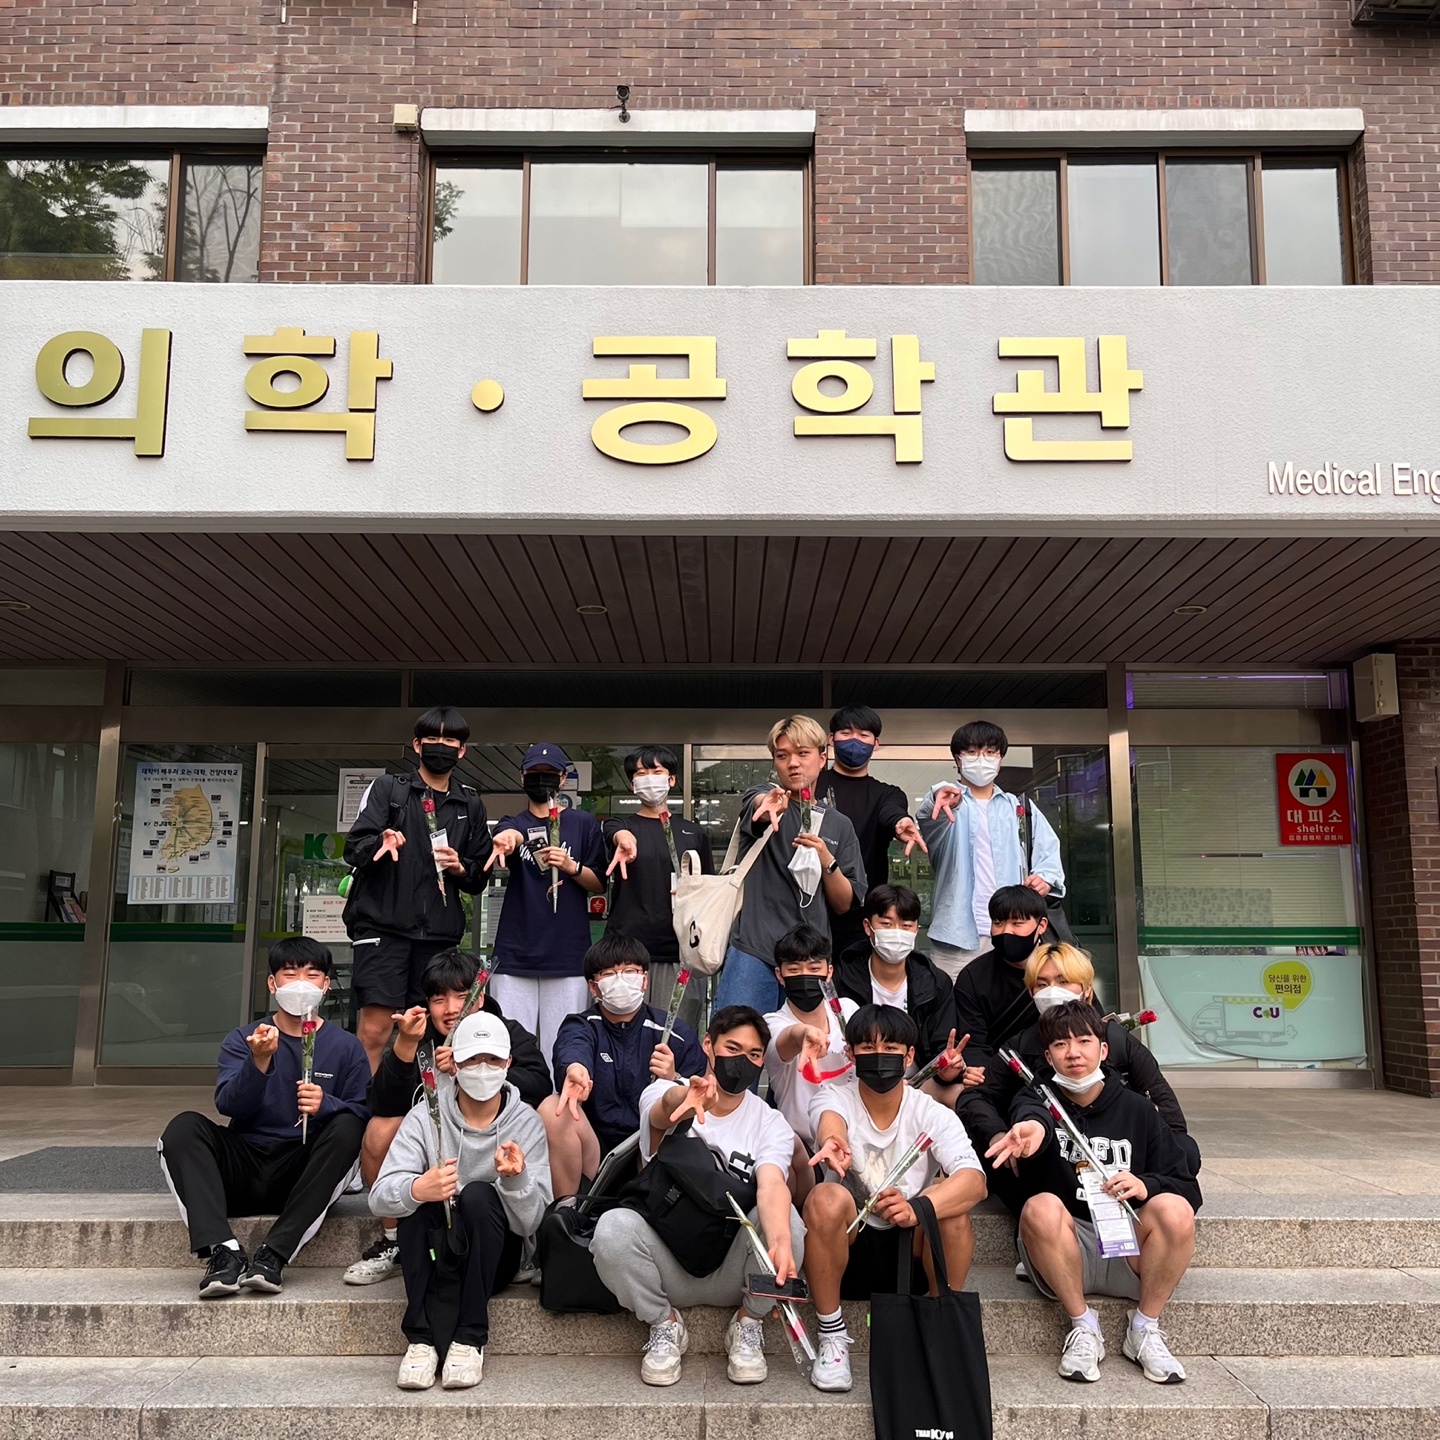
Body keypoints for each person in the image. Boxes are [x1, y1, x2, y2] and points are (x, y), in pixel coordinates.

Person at [986, 1001, 1201, 1385]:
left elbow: (1187, 1185)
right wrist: (1031, 1130)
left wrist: (1146, 1185)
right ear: (1048, 1056)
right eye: (1060, 1044)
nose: (1073, 1053)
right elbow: (1034, 1120)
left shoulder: (1138, 1109)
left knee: (1175, 1209)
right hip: (1064, 1253)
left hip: (1130, 1251)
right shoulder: (1036, 1100)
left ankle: (1144, 1329)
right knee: (1039, 1207)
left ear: (1103, 1050)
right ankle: (1083, 1326)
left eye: (1084, 1041)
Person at [591, 1005, 806, 1389]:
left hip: (734, 1269)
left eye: (754, 1054)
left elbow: (772, 1184)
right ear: (708, 1044)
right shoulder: (664, 1091)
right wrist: (683, 1098)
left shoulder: (770, 1122)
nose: (742, 1062)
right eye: (732, 1049)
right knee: (612, 1229)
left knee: (787, 1222)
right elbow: (662, 1112)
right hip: (665, 1263)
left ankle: (748, 1323)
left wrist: (779, 1242)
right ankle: (664, 1325)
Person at [157, 938, 369, 1298]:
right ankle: (223, 1251)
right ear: (272, 984)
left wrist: (327, 1104)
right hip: (244, 1164)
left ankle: (275, 1254)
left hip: (302, 1174)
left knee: (350, 1127)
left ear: (325, 985)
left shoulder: (346, 1046)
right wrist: (257, 1062)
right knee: (183, 1127)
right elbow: (229, 1105)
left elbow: (364, 1111)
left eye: (312, 975)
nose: (300, 984)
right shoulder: (245, 1038)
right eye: (290, 974)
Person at [802, 1005, 987, 1392]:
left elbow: (974, 1181)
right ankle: (832, 1335)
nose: (879, 1056)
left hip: (910, 1249)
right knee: (825, 1198)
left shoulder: (931, 1112)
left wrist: (919, 1208)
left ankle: (940, 1323)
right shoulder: (833, 1096)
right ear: (850, 1054)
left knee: (952, 1212)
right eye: (867, 1047)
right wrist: (833, 1141)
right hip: (849, 1247)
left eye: (890, 1048)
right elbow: (830, 1121)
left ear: (909, 1056)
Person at [344, 948, 552, 1285]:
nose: (452, 1008)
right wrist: (405, 1046)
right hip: (432, 1166)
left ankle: (544, 1243)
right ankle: (394, 1241)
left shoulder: (505, 1031)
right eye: (439, 999)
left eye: (461, 996)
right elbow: (382, 1103)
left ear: (479, 997)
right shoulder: (421, 1036)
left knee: (553, 1113)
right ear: (428, 1004)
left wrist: (475, 1069)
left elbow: (540, 1082)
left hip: (495, 1172)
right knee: (380, 1128)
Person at [369, 1011, 553, 1391]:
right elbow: (380, 1197)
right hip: (439, 1250)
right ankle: (421, 1340)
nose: (482, 1069)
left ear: (508, 1063)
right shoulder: (425, 1116)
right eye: (472, 1060)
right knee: (419, 1201)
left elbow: (532, 1223)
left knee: (479, 1195)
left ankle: (470, 1337)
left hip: (495, 1256)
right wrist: (417, 1189)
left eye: (492, 1059)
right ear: (454, 1064)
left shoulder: (526, 1122)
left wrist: (516, 1180)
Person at [343, 706, 495, 1069]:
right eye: (432, 738)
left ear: (462, 750)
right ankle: (366, 1104)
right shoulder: (389, 789)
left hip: (438, 937)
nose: (441, 745)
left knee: (431, 1033)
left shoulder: (470, 802)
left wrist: (461, 867)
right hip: (382, 929)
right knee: (375, 1031)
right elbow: (354, 847)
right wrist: (380, 842)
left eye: (450, 740)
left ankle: (422, 1103)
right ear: (416, 745)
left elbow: (479, 876)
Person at [711, 715, 867, 1017]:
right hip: (754, 951)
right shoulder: (768, 799)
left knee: (806, 1044)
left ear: (822, 757)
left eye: (802, 753)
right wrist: (765, 804)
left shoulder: (839, 825)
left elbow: (843, 903)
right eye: (782, 756)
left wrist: (827, 860)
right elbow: (757, 802)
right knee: (737, 1038)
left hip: (810, 961)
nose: (793, 763)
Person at [542, 933, 705, 1200]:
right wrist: (575, 1069)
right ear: (593, 987)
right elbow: (573, 1046)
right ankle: (567, 1209)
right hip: (595, 1149)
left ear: (645, 980)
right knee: (553, 1108)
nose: (620, 980)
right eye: (608, 974)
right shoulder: (583, 1025)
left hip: (653, 1147)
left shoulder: (675, 1033)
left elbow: (699, 1094)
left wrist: (674, 1078)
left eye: (630, 972)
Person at [486, 742, 606, 1063]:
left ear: (563, 778)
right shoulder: (513, 822)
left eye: (550, 773)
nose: (542, 778)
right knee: (511, 1050)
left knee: (564, 1050)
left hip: (568, 955)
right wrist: (509, 839)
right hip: (515, 956)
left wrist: (571, 866)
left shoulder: (583, 823)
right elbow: (509, 835)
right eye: (535, 772)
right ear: (522, 776)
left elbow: (599, 884)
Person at [917, 720, 1064, 981]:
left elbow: (1049, 858)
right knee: (954, 1004)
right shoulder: (948, 806)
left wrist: (1044, 879)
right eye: (972, 752)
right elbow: (930, 816)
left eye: (990, 752)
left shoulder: (1020, 808)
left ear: (1000, 759)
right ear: (958, 759)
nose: (981, 759)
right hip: (956, 937)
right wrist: (938, 793)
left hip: (1018, 932)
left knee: (1019, 1002)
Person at [602, 744, 714, 1031]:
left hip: (680, 953)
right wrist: (623, 838)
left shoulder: (693, 832)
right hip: (626, 954)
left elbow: (708, 890)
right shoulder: (622, 825)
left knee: (674, 1038)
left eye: (656, 771)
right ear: (632, 784)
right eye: (640, 774)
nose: (648, 778)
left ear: (671, 779)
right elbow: (614, 831)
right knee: (622, 1034)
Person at [813, 704, 928, 957]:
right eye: (846, 733)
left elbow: (892, 812)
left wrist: (900, 822)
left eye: (863, 735)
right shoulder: (811, 786)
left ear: (876, 743)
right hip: (808, 911)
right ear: (831, 739)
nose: (855, 741)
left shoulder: (887, 794)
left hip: (861, 919)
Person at [833, 884, 963, 1087]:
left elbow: (941, 1050)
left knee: (961, 1093)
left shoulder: (935, 983)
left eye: (906, 926)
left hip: (916, 1085)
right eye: (886, 924)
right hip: (856, 1082)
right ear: (868, 926)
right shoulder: (843, 978)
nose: (896, 933)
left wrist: (948, 1070)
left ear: (916, 929)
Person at [952, 884, 1052, 1080]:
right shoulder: (973, 977)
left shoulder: (1065, 967)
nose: (1006, 931)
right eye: (998, 923)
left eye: (1017, 923)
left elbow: (1090, 1023)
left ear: (1041, 926)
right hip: (994, 1075)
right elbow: (973, 1044)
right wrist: (984, 1076)